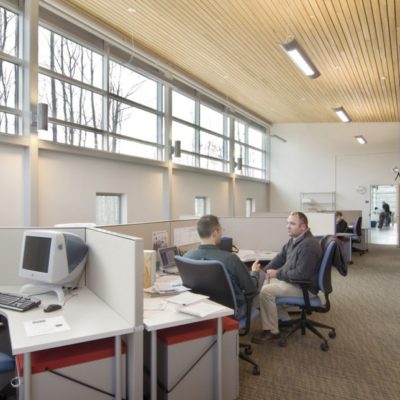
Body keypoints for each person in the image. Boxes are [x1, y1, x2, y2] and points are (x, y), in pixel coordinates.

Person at [251, 211, 322, 343]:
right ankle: (284, 320)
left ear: (303, 227)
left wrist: (277, 274)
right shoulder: (294, 240)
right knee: (265, 283)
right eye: (287, 223)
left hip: (304, 287)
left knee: (266, 291)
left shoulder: (309, 246)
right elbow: (280, 258)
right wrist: (264, 272)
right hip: (295, 282)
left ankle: (272, 331)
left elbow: (302, 274)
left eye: (292, 224)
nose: (288, 226)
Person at [184, 214, 264, 319]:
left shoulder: (187, 257)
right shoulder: (230, 259)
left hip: (202, 309)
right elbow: (250, 288)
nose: (221, 233)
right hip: (231, 311)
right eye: (221, 230)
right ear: (215, 232)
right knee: (260, 274)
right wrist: (254, 272)